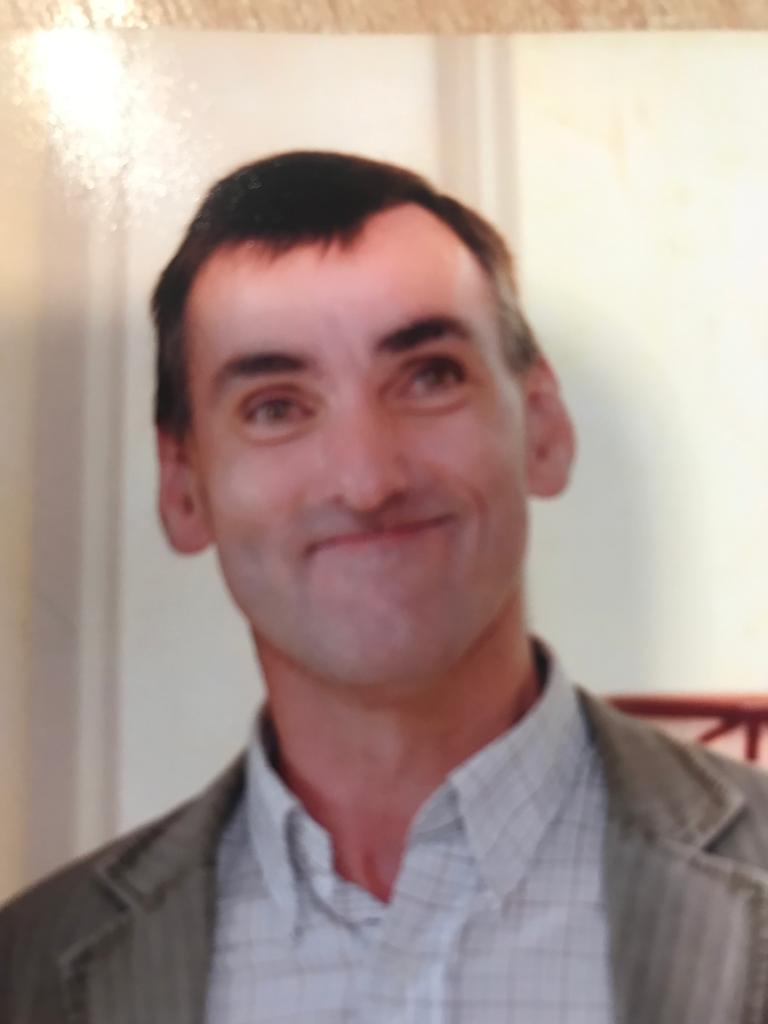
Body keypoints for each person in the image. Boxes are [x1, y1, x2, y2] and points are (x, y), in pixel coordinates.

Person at [2, 151, 768, 1024]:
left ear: (543, 426)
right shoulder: (27, 969)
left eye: (430, 375)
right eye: (276, 406)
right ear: (183, 487)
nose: (367, 481)